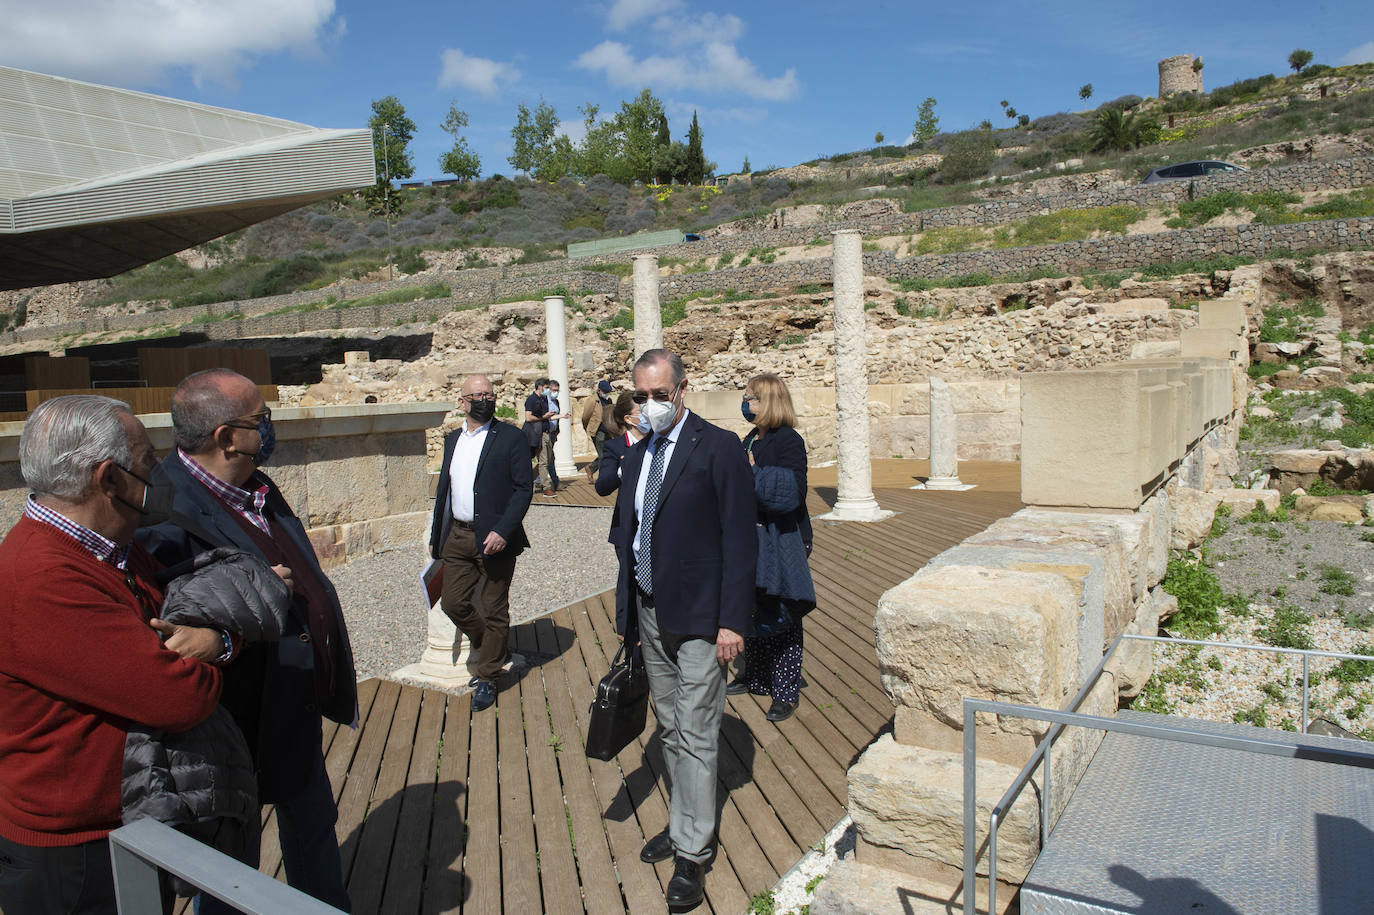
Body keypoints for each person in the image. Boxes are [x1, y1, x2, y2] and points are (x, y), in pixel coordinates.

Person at [138, 370, 356, 913]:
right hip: (232, 720)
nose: (270, 427)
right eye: (261, 419)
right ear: (226, 437)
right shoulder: (163, 514)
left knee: (312, 832)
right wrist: (248, 604)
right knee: (230, 865)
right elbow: (179, 630)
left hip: (292, 699)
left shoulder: (255, 484)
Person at [0, 395, 223, 915]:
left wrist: (211, 635)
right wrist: (217, 645)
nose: (159, 474)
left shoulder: (105, 545)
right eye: (147, 463)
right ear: (108, 479)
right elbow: (177, 696)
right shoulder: (42, 578)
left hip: (120, 825)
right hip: (74, 855)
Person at [612, 349, 756, 908]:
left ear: (682, 390)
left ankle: (693, 851)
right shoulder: (637, 455)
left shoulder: (718, 448)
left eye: (658, 395)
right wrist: (629, 618)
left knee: (696, 730)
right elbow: (628, 537)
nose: (649, 405)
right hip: (651, 612)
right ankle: (684, 821)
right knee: (669, 724)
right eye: (640, 397)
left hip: (703, 617)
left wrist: (731, 623)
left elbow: (742, 541)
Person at [430, 374, 534, 712]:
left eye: (489, 394)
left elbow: (523, 489)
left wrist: (504, 530)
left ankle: (488, 676)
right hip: (458, 536)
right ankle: (491, 645)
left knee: (494, 608)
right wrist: (436, 538)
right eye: (477, 395)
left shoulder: (510, 438)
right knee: (452, 603)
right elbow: (443, 493)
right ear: (462, 402)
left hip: (495, 539)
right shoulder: (452, 440)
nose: (485, 399)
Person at [728, 374, 815, 722]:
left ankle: (785, 690)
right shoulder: (750, 438)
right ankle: (757, 675)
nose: (746, 403)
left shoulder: (788, 440)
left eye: (751, 398)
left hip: (781, 537)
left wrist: (751, 472)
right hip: (752, 537)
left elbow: (792, 493)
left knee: (783, 612)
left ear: (770, 402)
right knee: (753, 608)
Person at [594, 392, 645, 557]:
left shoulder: (660, 442)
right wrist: (625, 466)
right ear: (628, 419)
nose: (649, 414)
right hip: (628, 531)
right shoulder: (615, 447)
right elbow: (602, 487)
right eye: (642, 411)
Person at [523, 378, 556, 496]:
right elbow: (528, 418)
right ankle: (546, 487)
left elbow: (547, 417)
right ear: (540, 387)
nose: (548, 390)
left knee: (547, 460)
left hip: (546, 432)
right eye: (547, 388)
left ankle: (528, 481)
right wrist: (543, 417)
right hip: (536, 433)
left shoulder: (543, 400)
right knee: (543, 461)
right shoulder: (531, 400)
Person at [581, 379, 618, 483]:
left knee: (608, 453)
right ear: (599, 390)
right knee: (602, 455)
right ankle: (603, 479)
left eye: (608, 392)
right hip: (598, 432)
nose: (607, 394)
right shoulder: (593, 400)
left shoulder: (609, 400)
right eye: (605, 392)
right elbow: (585, 416)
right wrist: (588, 428)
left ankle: (591, 468)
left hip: (608, 431)